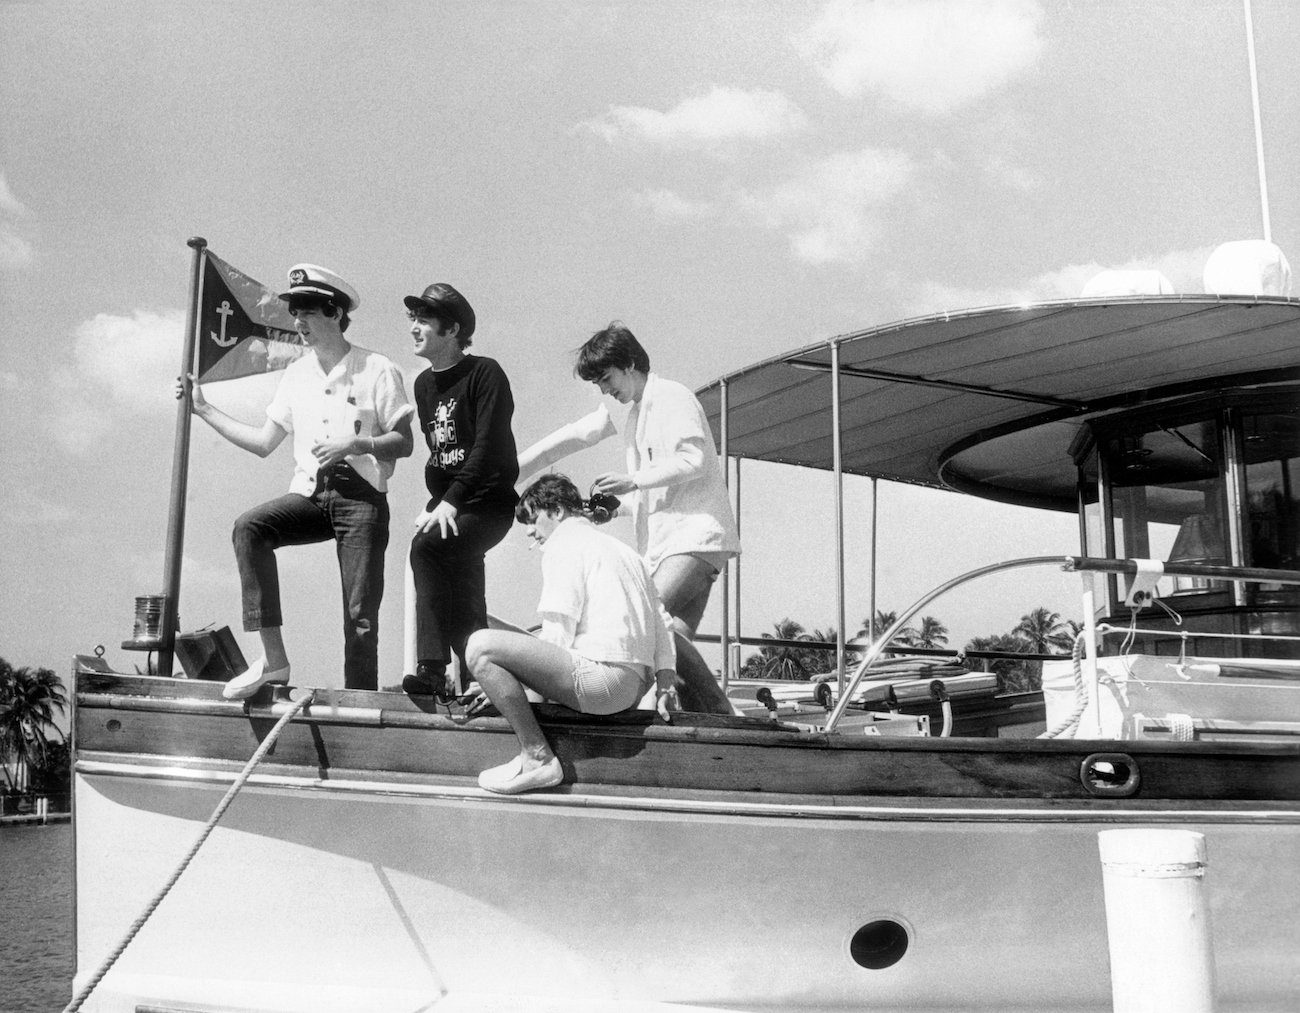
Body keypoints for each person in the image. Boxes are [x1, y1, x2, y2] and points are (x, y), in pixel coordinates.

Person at [183, 264, 414, 698]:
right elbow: (263, 442)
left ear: (334, 312)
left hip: (361, 499)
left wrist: (357, 444)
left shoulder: (377, 368)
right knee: (249, 528)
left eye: (307, 311)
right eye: (295, 312)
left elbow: (404, 443)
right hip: (309, 495)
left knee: (360, 613)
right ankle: (274, 661)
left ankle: (358, 702)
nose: (298, 322)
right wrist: (204, 409)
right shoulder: (295, 375)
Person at [516, 321, 739, 713]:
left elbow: (695, 460)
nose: (604, 390)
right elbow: (665, 490)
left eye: (606, 378)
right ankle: (712, 726)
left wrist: (633, 480)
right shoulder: (638, 415)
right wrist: (620, 506)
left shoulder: (672, 396)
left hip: (694, 536)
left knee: (649, 619)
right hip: (672, 539)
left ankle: (723, 712)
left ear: (630, 363)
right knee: (670, 645)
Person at [465, 473, 678, 795]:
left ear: (558, 512)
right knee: (508, 655)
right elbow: (662, 623)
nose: (529, 531)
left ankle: (537, 757)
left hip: (601, 683)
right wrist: (666, 682)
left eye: (533, 519)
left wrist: (511, 677)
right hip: (632, 686)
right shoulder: (626, 552)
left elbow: (557, 634)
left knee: (480, 646)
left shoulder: (564, 543)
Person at [404, 282, 519, 700]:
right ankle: (483, 680)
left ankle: (432, 669)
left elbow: (488, 449)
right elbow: (438, 454)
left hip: (488, 504)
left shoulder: (485, 373)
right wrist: (438, 501)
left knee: (426, 549)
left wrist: (451, 500)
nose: (414, 328)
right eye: (412, 320)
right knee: (464, 593)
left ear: (451, 330)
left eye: (423, 321)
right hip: (450, 504)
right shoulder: (422, 386)